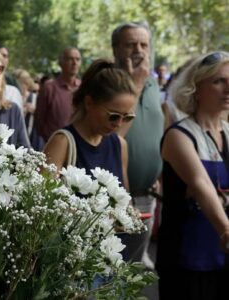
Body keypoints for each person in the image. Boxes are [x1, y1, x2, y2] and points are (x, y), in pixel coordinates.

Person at [156, 51, 229, 299]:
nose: (228, 89)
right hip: (188, 261)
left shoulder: (228, 131)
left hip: (222, 258)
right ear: (195, 88)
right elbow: (202, 185)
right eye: (219, 81)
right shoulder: (179, 135)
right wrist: (226, 231)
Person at [112, 21, 164, 265]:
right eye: (131, 44)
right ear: (115, 50)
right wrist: (137, 83)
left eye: (144, 44)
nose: (139, 50)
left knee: (137, 270)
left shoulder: (154, 85)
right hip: (117, 198)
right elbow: (111, 139)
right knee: (116, 270)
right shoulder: (108, 82)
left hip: (148, 196)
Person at [43, 59, 137, 191]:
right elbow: (41, 199)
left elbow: (124, 199)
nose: (119, 124)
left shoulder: (120, 145)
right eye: (113, 116)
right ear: (89, 103)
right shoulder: (63, 142)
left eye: (127, 117)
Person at [34, 47, 82, 142]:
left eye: (77, 59)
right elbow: (39, 120)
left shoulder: (84, 88)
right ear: (61, 63)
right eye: (70, 59)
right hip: (54, 145)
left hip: (80, 146)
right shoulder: (49, 88)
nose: (74, 62)